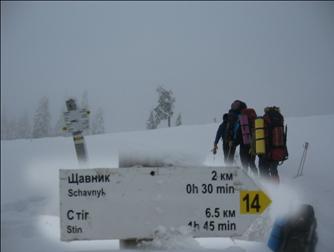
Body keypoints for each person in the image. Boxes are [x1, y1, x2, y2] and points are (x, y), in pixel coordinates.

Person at [258, 106, 288, 183]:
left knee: (263, 169)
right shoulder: (280, 118)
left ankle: (267, 186)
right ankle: (276, 187)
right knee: (274, 169)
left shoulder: (265, 117)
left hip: (266, 150)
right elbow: (283, 137)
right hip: (278, 150)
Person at [212, 100, 246, 164]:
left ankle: (228, 169)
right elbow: (237, 130)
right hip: (232, 141)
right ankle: (230, 168)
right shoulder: (236, 118)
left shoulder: (223, 123)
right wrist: (234, 140)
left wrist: (215, 143)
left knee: (226, 157)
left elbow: (218, 133)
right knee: (230, 156)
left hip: (226, 141)